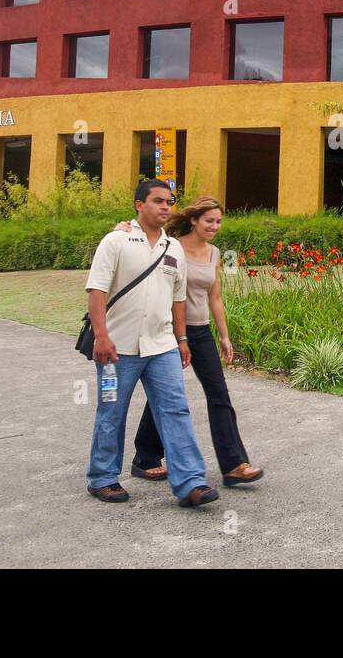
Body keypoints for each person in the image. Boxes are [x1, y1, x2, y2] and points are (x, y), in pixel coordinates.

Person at [85, 179, 218, 508]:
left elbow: (178, 300)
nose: (165, 207)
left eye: (169, 202)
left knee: (176, 411)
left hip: (162, 348)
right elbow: (96, 291)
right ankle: (102, 477)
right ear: (139, 205)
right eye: (158, 201)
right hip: (118, 349)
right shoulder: (115, 242)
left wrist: (182, 339)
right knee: (111, 412)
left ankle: (190, 482)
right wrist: (101, 337)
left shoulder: (173, 249)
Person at [120, 196, 264, 488]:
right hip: (170, 330)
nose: (215, 226)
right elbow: (140, 246)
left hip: (201, 331)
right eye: (209, 220)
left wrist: (224, 335)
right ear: (194, 220)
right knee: (167, 396)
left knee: (219, 394)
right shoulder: (171, 246)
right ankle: (145, 458)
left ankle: (234, 464)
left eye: (219, 221)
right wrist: (124, 228)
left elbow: (215, 296)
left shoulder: (213, 253)